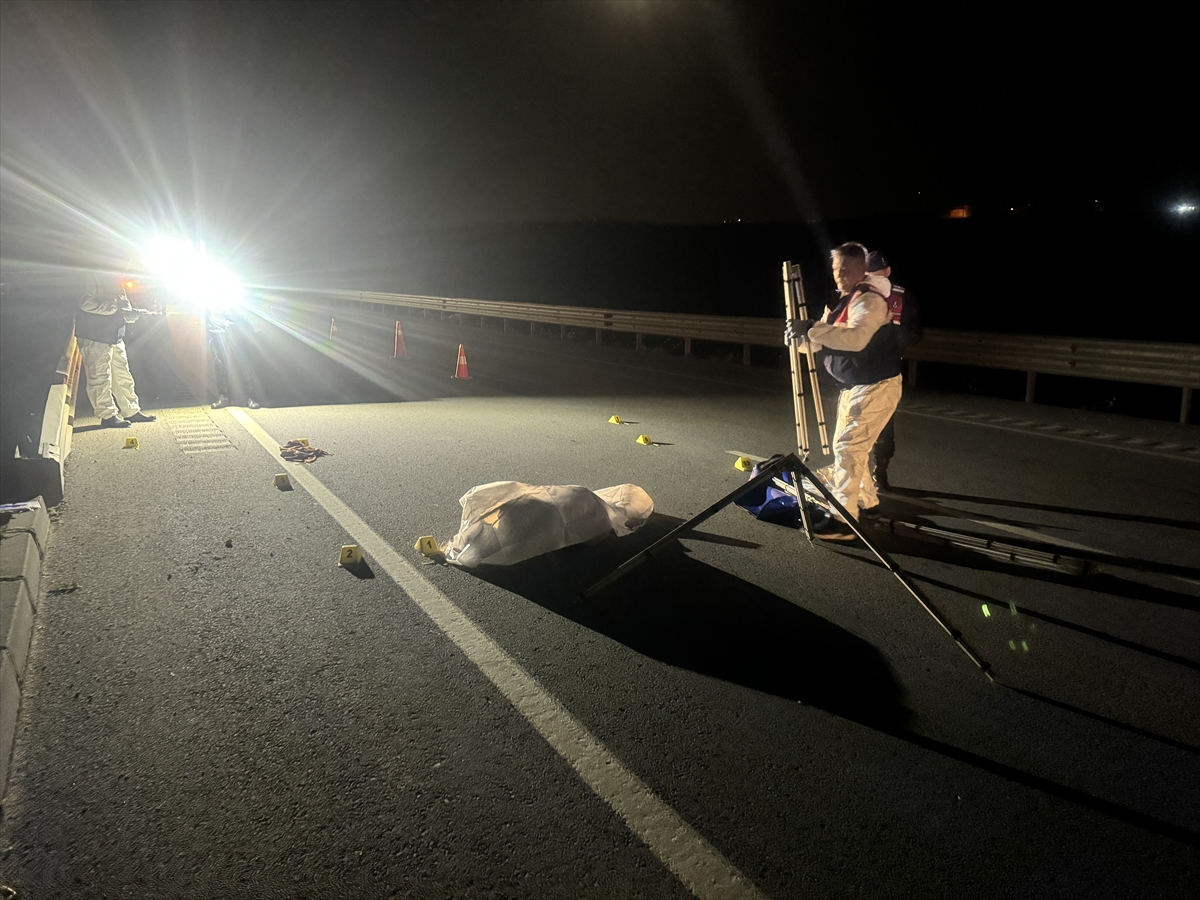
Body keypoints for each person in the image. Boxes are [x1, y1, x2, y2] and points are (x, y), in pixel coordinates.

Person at [786, 242, 902, 540]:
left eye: (846, 269)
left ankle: (842, 520)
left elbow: (856, 340)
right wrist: (798, 338)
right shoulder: (841, 302)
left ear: (862, 270)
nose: (840, 275)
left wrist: (810, 328)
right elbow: (822, 340)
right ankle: (867, 502)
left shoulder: (869, 301)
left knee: (848, 448)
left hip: (878, 385)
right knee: (849, 448)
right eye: (837, 269)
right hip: (853, 387)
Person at [865, 250, 922, 492]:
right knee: (852, 428)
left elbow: (914, 334)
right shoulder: (855, 296)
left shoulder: (902, 299)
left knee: (884, 428)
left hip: (887, 372)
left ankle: (880, 473)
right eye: (869, 273)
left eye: (878, 272)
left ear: (887, 272)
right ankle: (857, 477)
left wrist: (891, 336)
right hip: (856, 373)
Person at [75, 272, 157, 428]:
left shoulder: (115, 280)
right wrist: (115, 307)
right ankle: (107, 415)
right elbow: (85, 303)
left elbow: (122, 308)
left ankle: (131, 411)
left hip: (114, 334)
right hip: (94, 335)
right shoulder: (90, 276)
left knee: (122, 373)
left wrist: (131, 315)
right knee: (99, 376)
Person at [207, 308, 263, 409]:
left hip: (238, 325)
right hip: (216, 325)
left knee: (243, 362)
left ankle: (250, 397)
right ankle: (223, 396)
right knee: (219, 362)